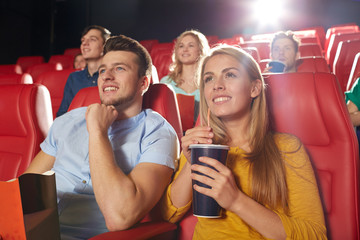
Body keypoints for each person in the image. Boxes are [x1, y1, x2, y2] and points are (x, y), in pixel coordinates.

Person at [160, 45, 327, 239]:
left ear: (255, 88)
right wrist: (192, 163)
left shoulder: (286, 148)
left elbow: (315, 235)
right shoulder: (201, 145)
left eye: (230, 75)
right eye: (209, 78)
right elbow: (169, 215)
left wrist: (236, 201)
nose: (217, 85)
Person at [24, 35, 178, 240]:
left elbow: (120, 217)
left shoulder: (158, 133)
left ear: (144, 83)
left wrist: (98, 132)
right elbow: (24, 190)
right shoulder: (69, 120)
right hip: (32, 231)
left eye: (120, 68)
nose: (106, 76)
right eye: (103, 70)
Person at [56, 25, 111, 117]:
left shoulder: (112, 77)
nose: (85, 43)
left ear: (105, 46)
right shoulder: (74, 78)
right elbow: (63, 114)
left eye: (92, 39)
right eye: (83, 40)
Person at [160, 30, 210, 125]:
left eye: (190, 45)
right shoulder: (165, 82)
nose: (185, 50)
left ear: (200, 50)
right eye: (181, 46)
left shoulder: (208, 82)